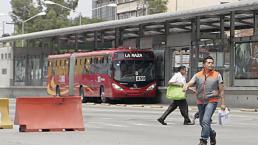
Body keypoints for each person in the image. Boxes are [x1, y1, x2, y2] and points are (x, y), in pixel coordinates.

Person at [184, 56, 225, 145]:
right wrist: (187, 85)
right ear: (204, 64)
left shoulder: (217, 75)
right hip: (200, 101)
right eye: (209, 63)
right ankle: (212, 134)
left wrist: (223, 103)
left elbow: (221, 90)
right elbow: (191, 82)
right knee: (202, 123)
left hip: (212, 100)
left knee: (206, 121)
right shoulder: (198, 75)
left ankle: (203, 140)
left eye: (212, 63)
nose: (211, 64)